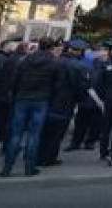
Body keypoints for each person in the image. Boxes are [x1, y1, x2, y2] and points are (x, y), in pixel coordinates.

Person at [0, 37, 61, 177]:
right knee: (34, 135)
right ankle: (29, 167)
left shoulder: (25, 60)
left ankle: (7, 167)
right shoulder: (53, 63)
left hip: (22, 98)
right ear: (51, 48)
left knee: (16, 134)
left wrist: (15, 94)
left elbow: (15, 80)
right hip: (41, 100)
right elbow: (56, 83)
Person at [38, 39, 89, 167]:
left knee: (46, 131)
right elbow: (82, 87)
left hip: (49, 100)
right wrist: (80, 100)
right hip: (66, 102)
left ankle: (40, 156)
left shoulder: (55, 61)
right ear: (80, 52)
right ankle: (49, 158)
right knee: (58, 132)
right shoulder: (79, 66)